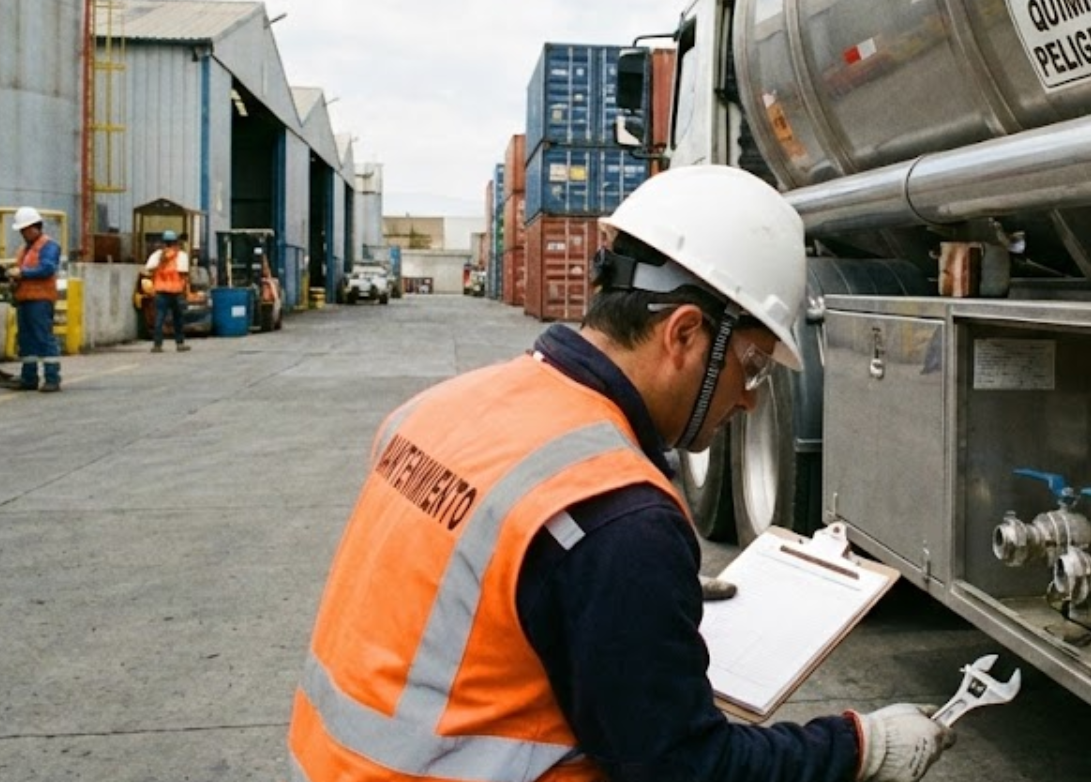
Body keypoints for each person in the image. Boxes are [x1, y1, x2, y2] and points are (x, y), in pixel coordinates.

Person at [289, 165, 954, 782]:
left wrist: (612, 596)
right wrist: (862, 746)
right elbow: (688, 767)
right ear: (686, 335)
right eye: (750, 366)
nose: (749, 398)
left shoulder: (441, 408)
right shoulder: (618, 520)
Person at [7, 206, 62, 393]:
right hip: (25, 300)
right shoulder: (24, 249)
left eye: (25, 229)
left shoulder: (49, 246)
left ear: (34, 227)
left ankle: (52, 378)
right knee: (26, 340)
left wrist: (22, 273)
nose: (23, 234)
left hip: (40, 300)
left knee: (43, 339)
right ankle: (29, 377)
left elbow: (47, 268)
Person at [144, 230, 192, 352]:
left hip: (160, 291)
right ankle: (180, 344)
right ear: (176, 242)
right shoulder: (181, 255)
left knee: (159, 317)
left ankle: (157, 345)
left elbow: (148, 269)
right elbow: (184, 272)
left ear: (163, 242)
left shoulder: (157, 255)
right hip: (176, 292)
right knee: (178, 318)